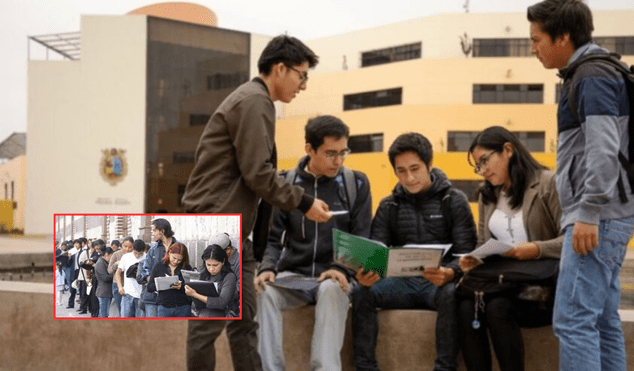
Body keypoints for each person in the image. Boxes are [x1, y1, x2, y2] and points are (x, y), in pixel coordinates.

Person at [181, 34, 331, 371]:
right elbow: (258, 174)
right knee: (207, 325)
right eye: (301, 75)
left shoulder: (254, 100)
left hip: (234, 231)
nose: (303, 85)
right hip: (216, 227)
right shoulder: (254, 101)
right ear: (280, 69)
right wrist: (304, 201)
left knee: (245, 322)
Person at [527, 1, 634, 370]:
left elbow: (603, 150)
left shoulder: (591, 76)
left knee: (572, 321)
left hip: (598, 218)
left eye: (536, 39)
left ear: (563, 36)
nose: (533, 48)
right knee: (603, 321)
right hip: (610, 214)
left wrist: (588, 213)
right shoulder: (592, 73)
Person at [254, 115, 372, 371]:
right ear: (309, 149)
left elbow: (362, 236)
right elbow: (273, 239)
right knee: (265, 292)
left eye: (343, 152)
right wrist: (267, 267)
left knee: (331, 288)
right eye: (331, 153)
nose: (338, 161)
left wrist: (341, 269)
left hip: (335, 278)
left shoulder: (357, 183)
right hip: (294, 277)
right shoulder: (286, 184)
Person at [351, 133, 477, 371]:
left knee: (452, 294)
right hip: (400, 284)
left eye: (415, 168)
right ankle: (365, 367)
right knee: (361, 293)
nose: (409, 178)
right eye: (401, 171)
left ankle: (445, 367)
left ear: (430, 164)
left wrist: (449, 272)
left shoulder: (454, 200)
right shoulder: (389, 205)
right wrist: (367, 271)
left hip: (437, 285)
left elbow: (466, 255)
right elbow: (377, 250)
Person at [457, 126, 562, 371]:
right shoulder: (487, 195)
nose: (482, 171)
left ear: (508, 150)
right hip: (503, 281)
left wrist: (535, 249)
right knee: (463, 306)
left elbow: (572, 239)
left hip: (538, 289)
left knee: (496, 307)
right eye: (477, 166)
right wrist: (475, 259)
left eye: (484, 161)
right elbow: (484, 244)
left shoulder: (548, 183)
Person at [139, 218, 178, 317]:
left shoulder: (179, 247)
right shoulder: (153, 249)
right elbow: (144, 269)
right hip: (152, 298)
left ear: (162, 231)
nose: (152, 234)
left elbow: (185, 269)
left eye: (154, 230)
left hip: (173, 297)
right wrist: (152, 280)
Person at [185, 244, 237, 318]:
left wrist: (195, 294)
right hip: (201, 313)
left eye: (215, 265)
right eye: (208, 265)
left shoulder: (229, 277)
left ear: (223, 261)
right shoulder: (204, 274)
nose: (211, 269)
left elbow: (221, 303)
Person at [147, 242, 193, 318]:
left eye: (179, 260)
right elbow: (149, 287)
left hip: (183, 307)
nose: (175, 262)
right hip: (164, 307)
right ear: (169, 253)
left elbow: (192, 286)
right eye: (174, 258)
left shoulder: (186, 268)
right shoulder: (159, 266)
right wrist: (161, 284)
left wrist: (181, 286)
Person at [116, 239, 146, 318]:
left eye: (140, 254)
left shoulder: (147, 258)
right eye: (135, 253)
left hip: (141, 296)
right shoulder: (126, 257)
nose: (137, 256)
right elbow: (118, 273)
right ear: (133, 249)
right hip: (127, 294)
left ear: (144, 251)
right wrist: (120, 287)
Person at [108, 236, 133, 317]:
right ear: (121, 246)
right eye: (125, 247)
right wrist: (116, 264)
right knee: (121, 309)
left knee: (130, 310)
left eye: (130, 247)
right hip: (118, 284)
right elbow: (109, 270)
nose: (127, 249)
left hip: (131, 285)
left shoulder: (134, 256)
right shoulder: (116, 254)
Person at [94, 246, 114, 318]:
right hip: (103, 292)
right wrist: (116, 275)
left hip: (106, 292)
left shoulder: (103, 262)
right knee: (103, 314)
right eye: (111, 256)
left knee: (104, 313)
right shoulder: (100, 263)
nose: (112, 259)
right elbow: (105, 278)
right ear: (106, 254)